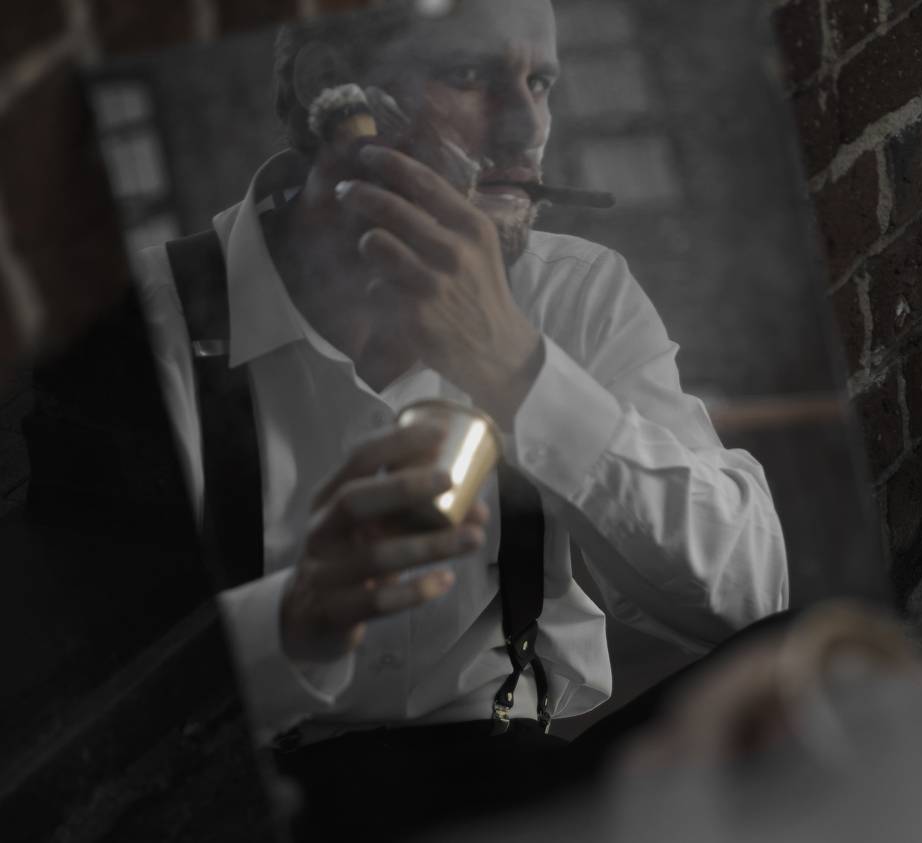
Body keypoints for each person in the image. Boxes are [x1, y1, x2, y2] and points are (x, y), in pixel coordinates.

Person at [132, 0, 788, 834]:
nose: (526, 129)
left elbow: (752, 598)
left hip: (519, 771)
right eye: (469, 74)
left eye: (540, 82)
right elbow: (115, 715)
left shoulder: (578, 291)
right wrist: (295, 618)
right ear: (333, 92)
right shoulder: (154, 321)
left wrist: (520, 370)